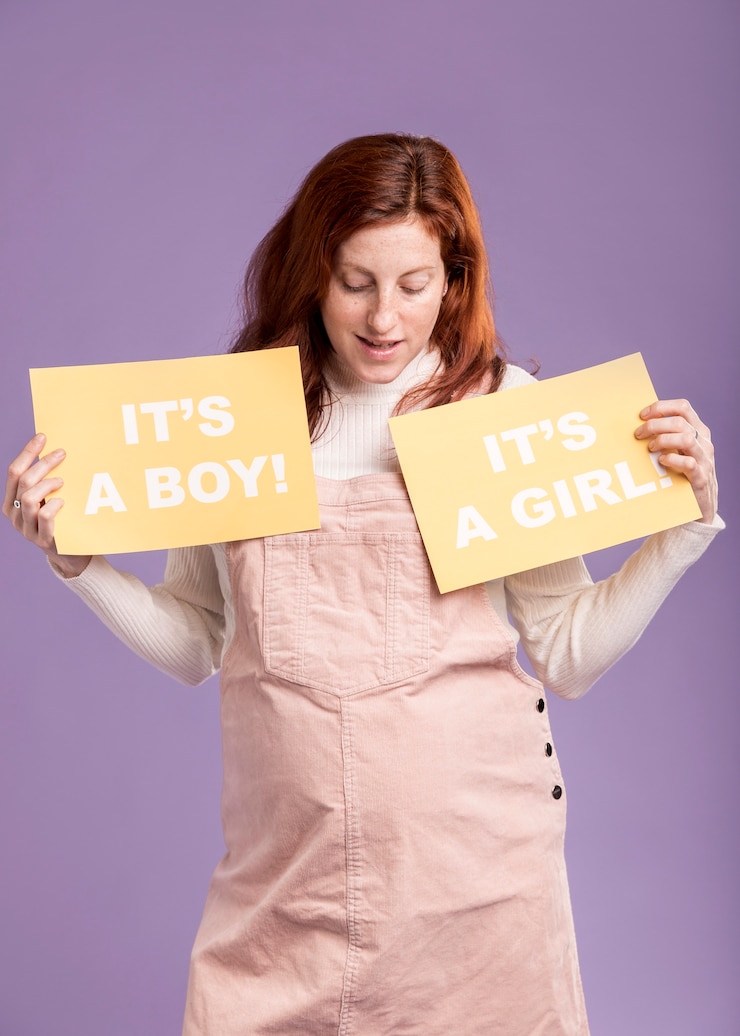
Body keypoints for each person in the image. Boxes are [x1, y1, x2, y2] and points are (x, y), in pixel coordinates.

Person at [3, 133, 722, 1035]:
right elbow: (195, 640)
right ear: (313, 273)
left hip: (478, 893)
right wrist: (79, 565)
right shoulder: (234, 418)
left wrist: (684, 530)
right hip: (284, 892)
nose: (385, 318)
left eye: (414, 285)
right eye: (356, 282)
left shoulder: (499, 413)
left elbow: (569, 654)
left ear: (454, 281)